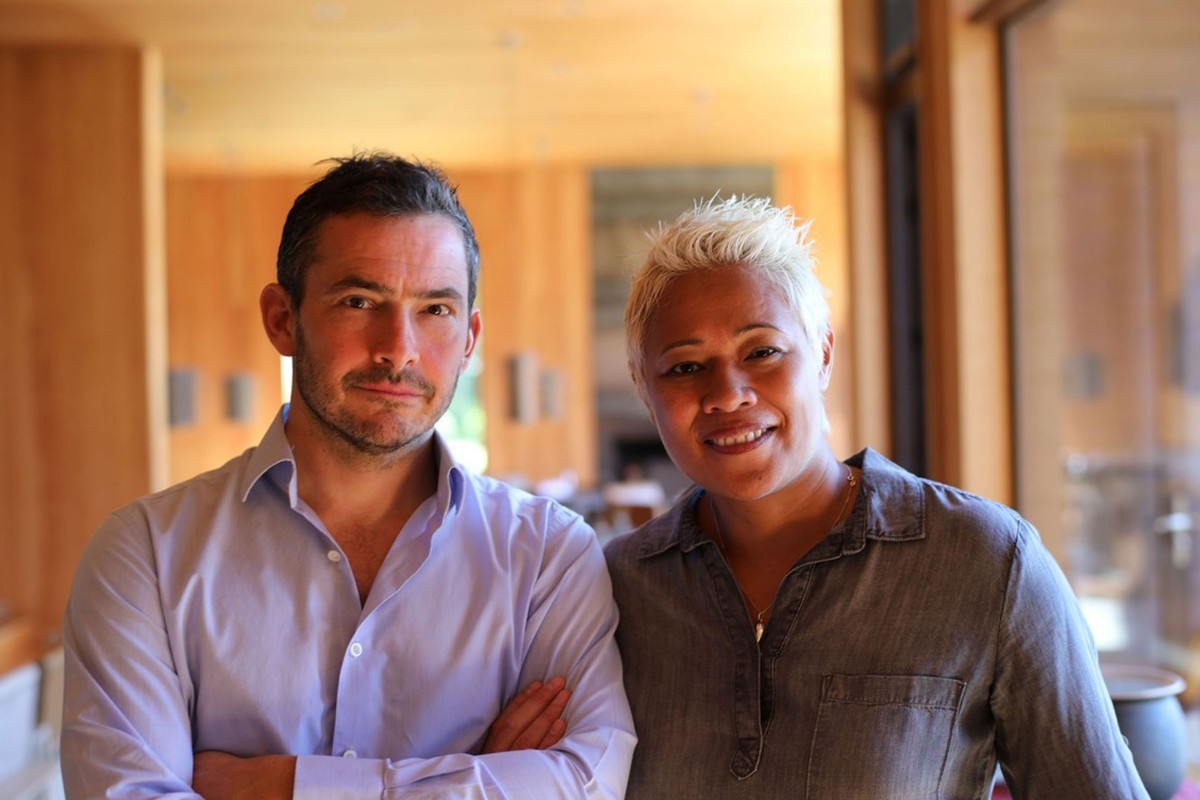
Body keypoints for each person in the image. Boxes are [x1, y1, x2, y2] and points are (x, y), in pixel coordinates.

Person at [61, 153, 635, 799]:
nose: (399, 349)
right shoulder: (145, 554)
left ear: (470, 338)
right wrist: (475, 780)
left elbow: (587, 784)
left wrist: (279, 786)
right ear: (282, 319)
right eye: (359, 301)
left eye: (435, 310)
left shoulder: (549, 555)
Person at [603, 196, 1149, 798]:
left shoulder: (989, 562)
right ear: (644, 389)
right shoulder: (611, 589)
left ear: (823, 355)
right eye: (684, 367)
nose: (728, 394)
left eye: (762, 352)